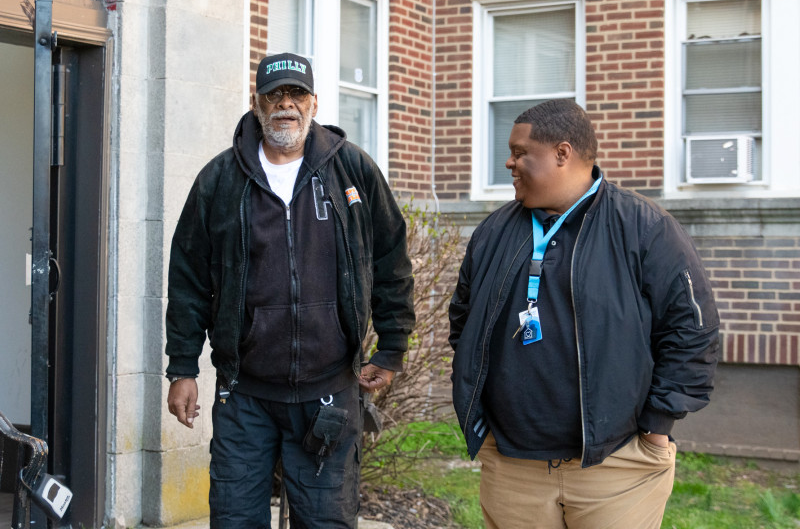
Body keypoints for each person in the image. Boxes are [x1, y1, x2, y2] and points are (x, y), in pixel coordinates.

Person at [165, 52, 415, 529]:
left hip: (329, 392)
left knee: (325, 522)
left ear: (314, 103)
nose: (286, 105)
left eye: (297, 94)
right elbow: (189, 279)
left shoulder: (352, 171)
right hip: (244, 396)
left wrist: (392, 347)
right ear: (256, 104)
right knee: (235, 520)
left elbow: (390, 260)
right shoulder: (220, 180)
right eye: (274, 95)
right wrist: (181, 366)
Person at [448, 99, 719, 529]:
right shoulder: (493, 232)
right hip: (512, 466)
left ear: (562, 153)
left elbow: (692, 331)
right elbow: (463, 322)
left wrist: (656, 427)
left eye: (520, 153)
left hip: (616, 467)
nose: (509, 162)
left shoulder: (644, 227)